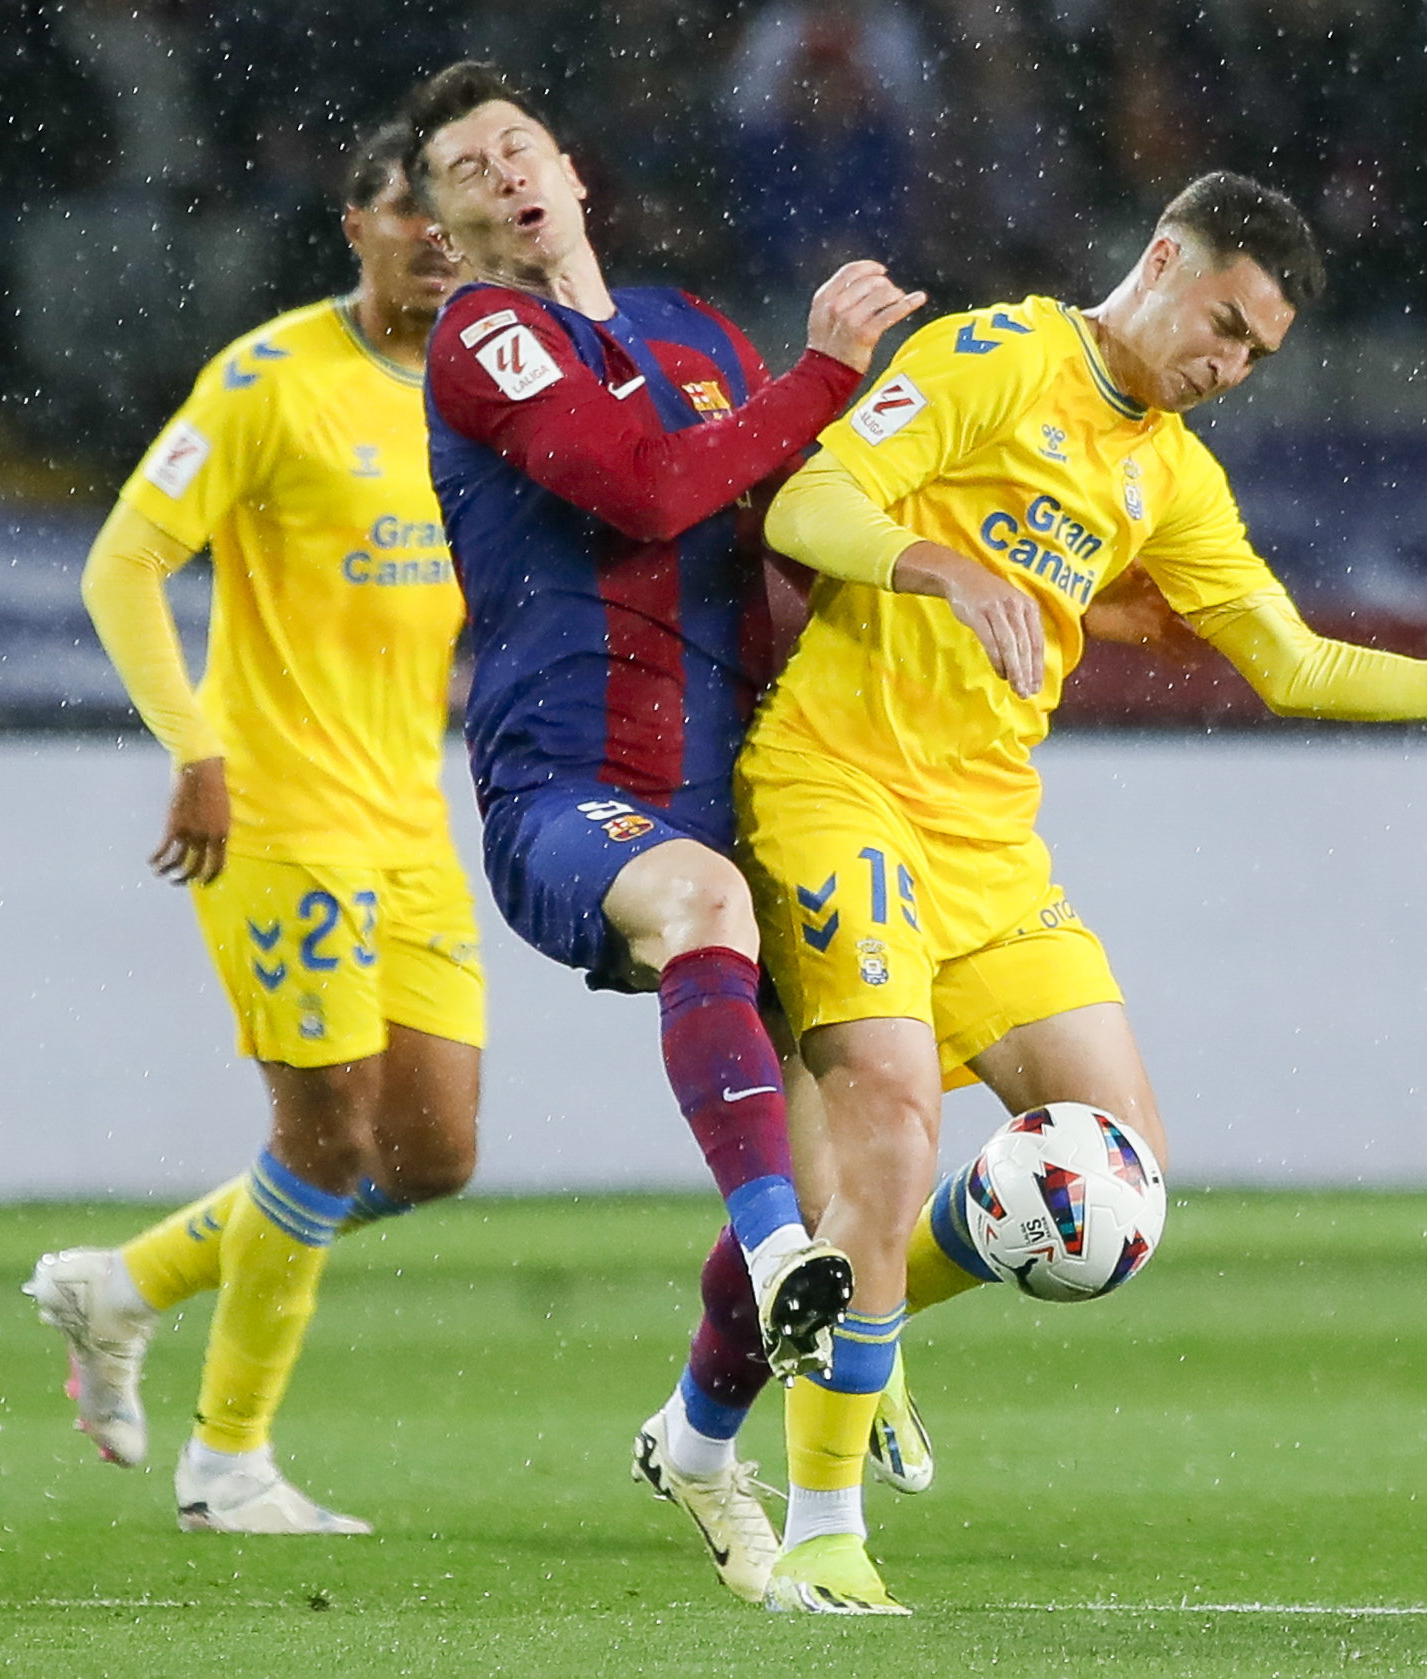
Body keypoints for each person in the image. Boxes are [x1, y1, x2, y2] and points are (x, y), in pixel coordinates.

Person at [739, 170, 1427, 1612]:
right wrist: (937, 568)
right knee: (897, 1126)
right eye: (1222, 325)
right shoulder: (993, 358)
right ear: (1163, 257)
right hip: (835, 788)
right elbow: (812, 500)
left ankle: (843, 1325)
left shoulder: (1168, 474)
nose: (1227, 368)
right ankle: (819, 1534)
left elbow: (1292, 662)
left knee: (1120, 1171)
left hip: (987, 844)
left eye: (1255, 356)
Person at [399, 60, 932, 1601]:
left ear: (569, 164)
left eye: (520, 144)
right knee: (702, 905)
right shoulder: (485, 335)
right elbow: (639, 491)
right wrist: (826, 377)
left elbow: (771, 516)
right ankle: (771, 1252)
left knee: (866, 1163)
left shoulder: (698, 331)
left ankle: (700, 1440)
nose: (504, 172)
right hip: (567, 790)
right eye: (465, 168)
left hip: (730, 782)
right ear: (444, 226)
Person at [23, 121, 482, 1535]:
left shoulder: (492, 393)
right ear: (357, 226)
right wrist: (197, 748)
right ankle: (229, 1466)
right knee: (329, 1133)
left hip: (413, 813)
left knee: (432, 1158)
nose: (436, 240)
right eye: (410, 215)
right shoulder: (269, 381)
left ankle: (127, 1285)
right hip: (279, 814)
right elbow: (123, 564)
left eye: (455, 217)